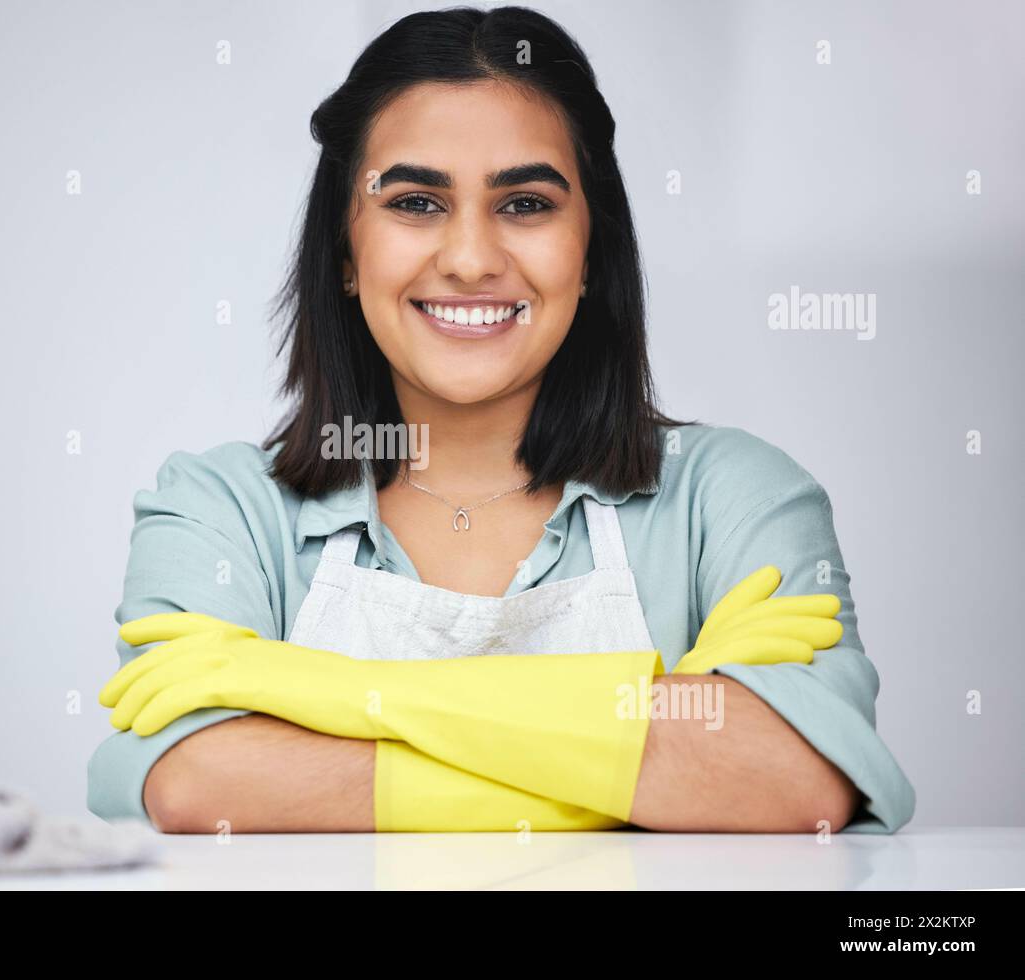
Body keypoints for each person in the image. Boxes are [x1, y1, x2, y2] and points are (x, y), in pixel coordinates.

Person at [87, 6, 914, 834]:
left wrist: (315, 690)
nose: (473, 258)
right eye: (414, 202)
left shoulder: (734, 499)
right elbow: (197, 784)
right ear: (345, 254)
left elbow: (790, 778)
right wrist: (640, 769)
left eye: (524, 203)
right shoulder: (217, 513)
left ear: (590, 251)